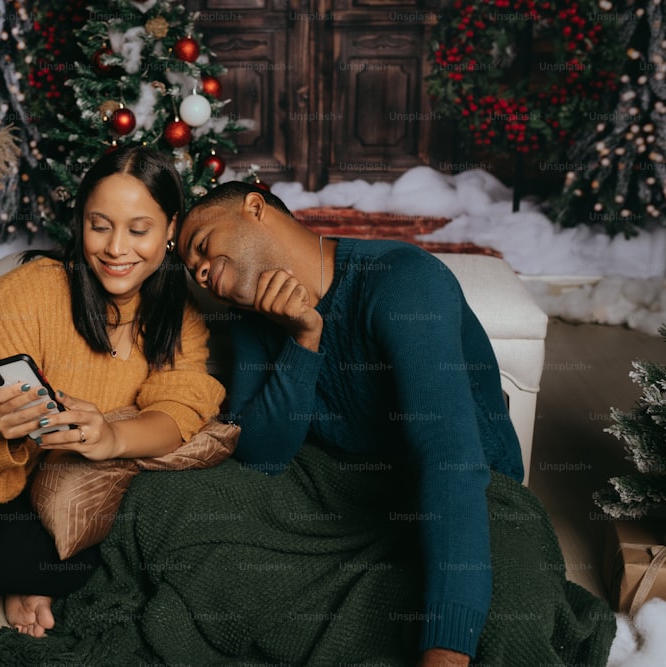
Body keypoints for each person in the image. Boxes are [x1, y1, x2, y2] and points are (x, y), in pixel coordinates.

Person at [177, 181, 525, 667]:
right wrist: (303, 340)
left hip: (464, 494)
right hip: (350, 488)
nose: (201, 271)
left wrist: (445, 652)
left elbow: (449, 459)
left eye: (202, 247)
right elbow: (261, 456)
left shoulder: (401, 279)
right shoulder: (252, 317)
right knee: (173, 498)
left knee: (510, 610)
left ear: (254, 208)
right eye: (193, 271)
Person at [0, 147, 225, 638]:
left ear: (171, 229)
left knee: (164, 522)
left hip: (66, 494)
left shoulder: (178, 319)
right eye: (99, 225)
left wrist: (112, 438)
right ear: (80, 222)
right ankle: (30, 580)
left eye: (139, 230)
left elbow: (179, 409)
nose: (116, 249)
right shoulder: (29, 292)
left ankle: (35, 581)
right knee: (23, 555)